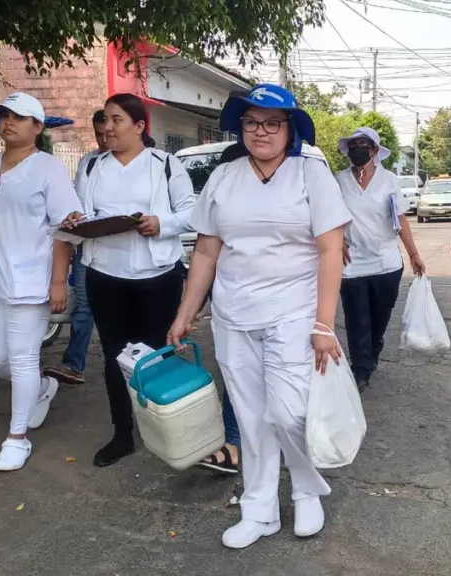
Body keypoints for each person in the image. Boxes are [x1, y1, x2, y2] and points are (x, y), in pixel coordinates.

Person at [167, 84, 351, 549]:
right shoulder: (224, 177)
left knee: (288, 412)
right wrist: (186, 313)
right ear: (240, 127)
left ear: (290, 129)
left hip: (294, 312)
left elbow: (331, 250)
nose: (261, 131)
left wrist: (324, 324)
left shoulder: (311, 175)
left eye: (273, 122)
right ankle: (260, 508)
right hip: (233, 315)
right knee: (250, 416)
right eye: (252, 122)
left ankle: (309, 488)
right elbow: (207, 252)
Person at [68, 93, 195, 468]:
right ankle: (123, 433)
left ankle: (164, 426)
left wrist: (161, 224)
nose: (108, 128)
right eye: (106, 120)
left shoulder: (166, 165)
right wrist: (77, 219)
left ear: (139, 126)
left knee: (158, 353)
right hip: (105, 274)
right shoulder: (92, 167)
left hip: (158, 276)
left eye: (117, 120)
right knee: (114, 357)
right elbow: (81, 212)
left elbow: (192, 212)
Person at [0, 92, 83, 472]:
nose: (8, 122)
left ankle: (17, 438)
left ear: (38, 126)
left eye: (18, 116)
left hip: (31, 280)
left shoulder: (48, 169)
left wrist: (58, 282)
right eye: (3, 116)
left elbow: (66, 228)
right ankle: (41, 388)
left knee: (21, 358)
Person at [336, 127, 426, 392]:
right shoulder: (338, 180)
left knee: (380, 316)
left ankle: (374, 346)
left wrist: (414, 254)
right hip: (351, 262)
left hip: (386, 262)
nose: (358, 149)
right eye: (353, 145)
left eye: (364, 144)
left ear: (375, 151)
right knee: (357, 318)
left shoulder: (388, 180)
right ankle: (361, 368)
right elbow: (330, 215)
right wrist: (337, 240)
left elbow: (400, 219)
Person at [43, 110, 108, 386]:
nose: (104, 139)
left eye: (109, 131)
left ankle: (133, 363)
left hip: (124, 249)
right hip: (88, 244)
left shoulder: (146, 162)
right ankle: (74, 364)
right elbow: (77, 204)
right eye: (99, 133)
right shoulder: (87, 163)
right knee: (84, 305)